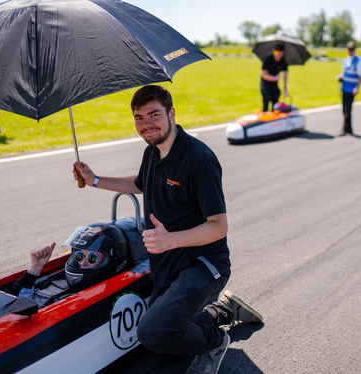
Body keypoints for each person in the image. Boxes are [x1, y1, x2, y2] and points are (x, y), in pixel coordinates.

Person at [73, 85, 262, 374]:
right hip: (168, 264)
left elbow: (219, 226)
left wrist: (170, 239)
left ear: (171, 113)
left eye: (154, 115)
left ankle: (215, 340)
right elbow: (139, 183)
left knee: (153, 332)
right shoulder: (152, 152)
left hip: (204, 266)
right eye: (138, 117)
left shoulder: (199, 158)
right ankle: (223, 310)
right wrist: (94, 179)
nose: (146, 124)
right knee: (163, 328)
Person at [336, 41, 361, 136]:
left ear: (354, 50)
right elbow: (344, 73)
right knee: (344, 109)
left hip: (352, 88)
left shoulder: (358, 60)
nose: (350, 51)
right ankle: (349, 128)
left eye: (352, 49)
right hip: (344, 87)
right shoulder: (346, 60)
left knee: (348, 109)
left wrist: (357, 88)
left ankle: (344, 129)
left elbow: (360, 76)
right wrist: (340, 77)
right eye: (349, 49)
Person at [260, 43, 288, 112]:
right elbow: (264, 75)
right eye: (276, 52)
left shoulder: (283, 62)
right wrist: (274, 78)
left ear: (283, 53)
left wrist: (285, 88)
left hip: (274, 85)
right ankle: (265, 118)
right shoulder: (268, 60)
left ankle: (274, 119)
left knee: (275, 102)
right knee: (266, 101)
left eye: (280, 53)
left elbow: (285, 75)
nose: (278, 55)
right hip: (265, 84)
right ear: (273, 51)